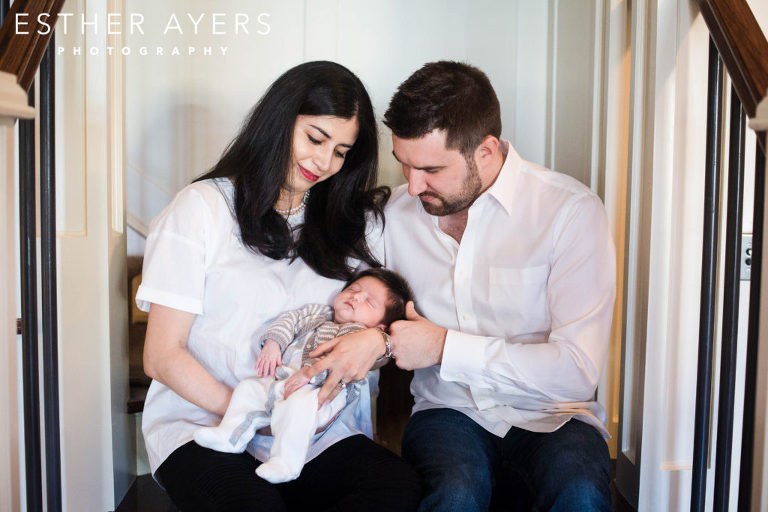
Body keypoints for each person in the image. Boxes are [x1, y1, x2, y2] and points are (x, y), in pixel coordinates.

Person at [298, 61, 616, 511]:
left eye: (430, 169)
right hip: (447, 412)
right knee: (454, 498)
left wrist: (445, 348)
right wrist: (375, 336)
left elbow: (576, 369)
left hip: (556, 416)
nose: (412, 184)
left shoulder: (569, 212)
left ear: (486, 151)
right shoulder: (395, 216)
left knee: (580, 497)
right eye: (403, 165)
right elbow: (336, 292)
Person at [136, 60, 420, 512]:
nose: (324, 163)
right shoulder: (201, 210)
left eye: (342, 151)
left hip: (315, 434)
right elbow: (161, 355)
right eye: (315, 138)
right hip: (205, 424)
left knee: (396, 488)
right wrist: (253, 415)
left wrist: (377, 342)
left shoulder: (356, 223)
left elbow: (390, 320)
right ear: (279, 119)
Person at [193, 268, 413, 484]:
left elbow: (360, 363)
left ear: (380, 326)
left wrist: (310, 377)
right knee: (248, 390)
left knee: (299, 406)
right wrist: (273, 343)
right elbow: (290, 320)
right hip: (284, 380)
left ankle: (286, 462)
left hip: (322, 393)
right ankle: (231, 436)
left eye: (369, 302)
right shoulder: (317, 314)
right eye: (354, 289)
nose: (356, 296)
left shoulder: (358, 336)